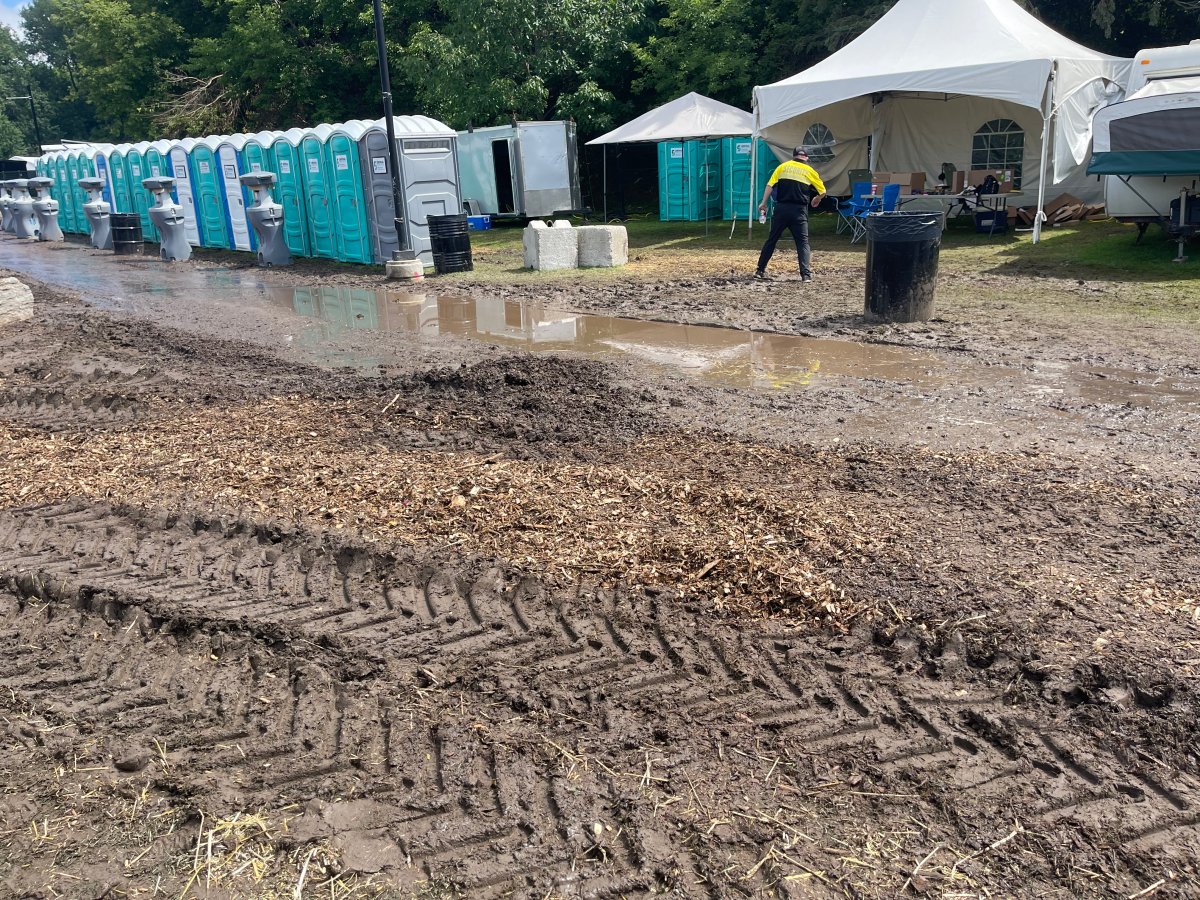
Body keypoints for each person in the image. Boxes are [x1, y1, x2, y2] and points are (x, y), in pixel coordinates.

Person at [755, 147, 827, 282]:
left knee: (772, 239)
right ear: (806, 158)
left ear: (793, 156)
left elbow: (770, 185)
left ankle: (760, 270)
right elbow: (822, 191)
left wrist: (763, 203)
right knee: (803, 243)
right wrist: (816, 199)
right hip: (799, 211)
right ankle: (805, 275)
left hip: (781, 209)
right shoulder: (810, 171)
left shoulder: (782, 167)